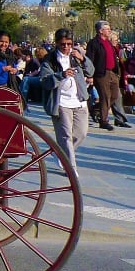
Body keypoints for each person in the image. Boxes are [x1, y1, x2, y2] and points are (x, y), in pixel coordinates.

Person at [40, 28, 94, 178]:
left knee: (81, 133)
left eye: (69, 43)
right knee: (65, 136)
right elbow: (45, 81)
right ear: (57, 43)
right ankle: (70, 168)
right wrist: (61, 75)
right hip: (61, 102)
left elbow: (91, 71)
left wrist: (83, 59)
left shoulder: (76, 55)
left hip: (80, 100)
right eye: (63, 44)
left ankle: (60, 155)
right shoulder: (50, 60)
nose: (66, 47)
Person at [85, 21, 124, 131]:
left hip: (112, 72)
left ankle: (96, 109)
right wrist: (90, 75)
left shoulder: (108, 42)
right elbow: (89, 60)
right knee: (105, 96)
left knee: (115, 96)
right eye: (107, 29)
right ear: (101, 31)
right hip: (101, 73)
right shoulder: (94, 43)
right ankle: (104, 121)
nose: (109, 30)